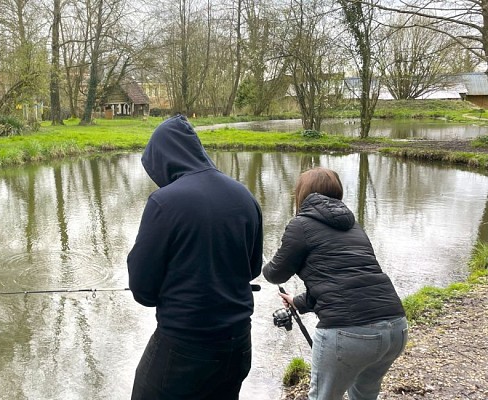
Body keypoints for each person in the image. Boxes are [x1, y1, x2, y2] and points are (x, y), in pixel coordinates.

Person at [127, 114, 264, 399]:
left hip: (184, 348)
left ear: (162, 160)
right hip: (239, 344)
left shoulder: (164, 202)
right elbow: (252, 269)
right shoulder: (244, 195)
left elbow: (143, 290)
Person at [263, 167, 407, 400]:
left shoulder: (301, 225)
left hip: (349, 332)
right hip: (395, 328)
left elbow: (276, 274)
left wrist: (265, 267)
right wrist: (297, 302)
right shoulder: (353, 226)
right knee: (365, 394)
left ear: (301, 194)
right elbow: (347, 281)